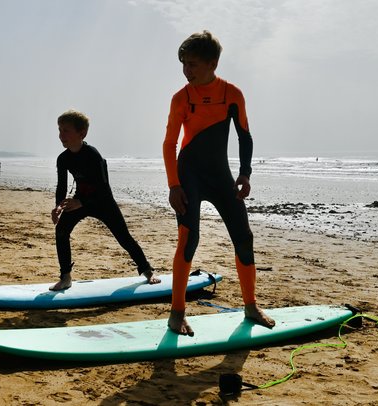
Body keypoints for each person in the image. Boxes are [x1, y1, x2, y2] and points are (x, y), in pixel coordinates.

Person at [163, 31, 275, 336]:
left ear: (213, 63)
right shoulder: (181, 98)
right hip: (189, 175)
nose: (187, 70)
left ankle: (251, 306)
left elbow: (245, 135)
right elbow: (170, 142)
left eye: (193, 64)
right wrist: (174, 185)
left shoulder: (232, 94)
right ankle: (176, 313)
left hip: (220, 175)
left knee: (244, 236)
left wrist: (246, 173)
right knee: (189, 239)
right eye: (184, 64)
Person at [49, 110, 160, 291]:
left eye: (66, 130)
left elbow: (102, 187)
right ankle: (66, 277)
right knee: (61, 230)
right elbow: (61, 186)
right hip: (80, 200)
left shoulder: (93, 155)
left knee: (124, 237)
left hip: (102, 201)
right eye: (59, 130)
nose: (61, 135)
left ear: (82, 133)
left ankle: (147, 271)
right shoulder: (63, 159)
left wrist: (81, 202)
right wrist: (58, 207)